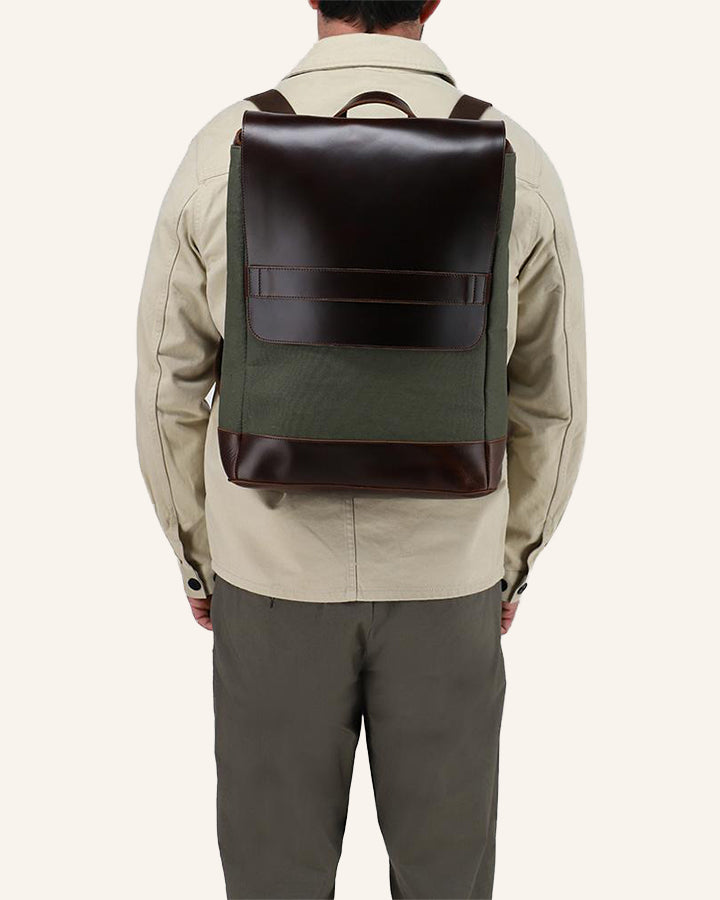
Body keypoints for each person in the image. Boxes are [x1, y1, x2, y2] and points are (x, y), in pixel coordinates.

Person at [135, 1, 586, 897]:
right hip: (448, 581)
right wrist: (508, 566)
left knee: (273, 878)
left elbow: (165, 391)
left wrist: (201, 561)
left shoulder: (222, 150)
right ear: (433, 1)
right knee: (447, 878)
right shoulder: (515, 159)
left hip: (268, 575)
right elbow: (554, 404)